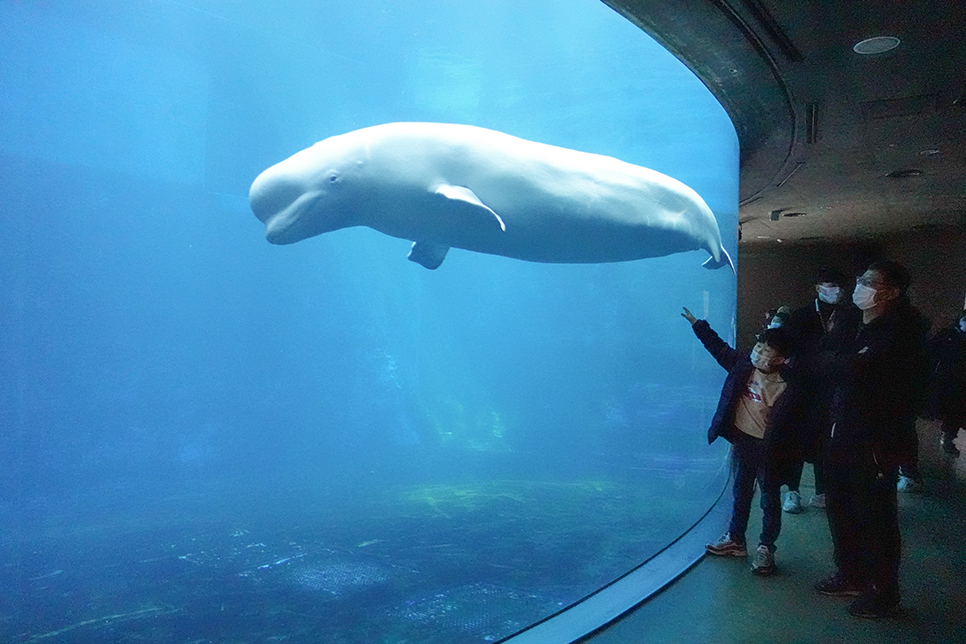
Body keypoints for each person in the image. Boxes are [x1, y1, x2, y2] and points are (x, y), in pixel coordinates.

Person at [815, 260, 927, 618]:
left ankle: (884, 591)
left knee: (876, 515)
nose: (860, 285)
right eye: (860, 278)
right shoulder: (851, 321)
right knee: (839, 505)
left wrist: (844, 364)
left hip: (877, 439)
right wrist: (846, 363)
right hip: (840, 429)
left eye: (869, 281)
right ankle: (850, 573)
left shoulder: (905, 332)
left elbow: (853, 369)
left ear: (891, 292)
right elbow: (830, 361)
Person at [681, 307, 805, 576]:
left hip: (770, 449)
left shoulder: (791, 385)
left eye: (766, 352)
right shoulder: (743, 367)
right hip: (743, 441)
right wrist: (698, 325)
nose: (758, 354)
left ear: (782, 359)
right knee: (740, 491)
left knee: (769, 497)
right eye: (758, 347)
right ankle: (735, 539)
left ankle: (765, 548)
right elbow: (719, 349)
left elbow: (797, 424)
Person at [783, 268, 861, 512]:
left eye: (840, 285)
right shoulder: (801, 316)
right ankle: (792, 492)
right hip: (802, 387)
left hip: (833, 388)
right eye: (830, 285)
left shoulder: (850, 316)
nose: (836, 290)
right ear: (818, 288)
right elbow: (790, 349)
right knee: (795, 440)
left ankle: (821, 491)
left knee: (825, 442)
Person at [923, 310, 966, 456]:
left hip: (960, 383)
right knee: (949, 410)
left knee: (956, 413)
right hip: (945, 380)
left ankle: (949, 438)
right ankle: (948, 438)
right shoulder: (948, 335)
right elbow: (929, 351)